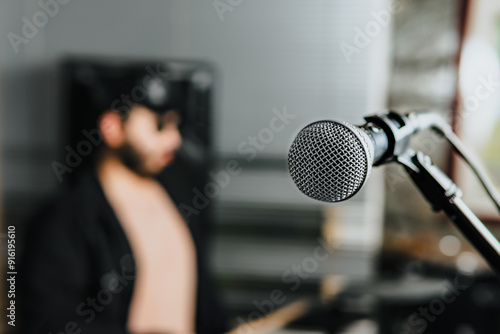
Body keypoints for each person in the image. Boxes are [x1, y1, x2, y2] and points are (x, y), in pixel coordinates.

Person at [18, 62, 227, 334]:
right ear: (112, 127)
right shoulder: (64, 219)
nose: (174, 139)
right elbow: (47, 323)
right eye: (160, 124)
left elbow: (203, 299)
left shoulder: (181, 198)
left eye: (176, 125)